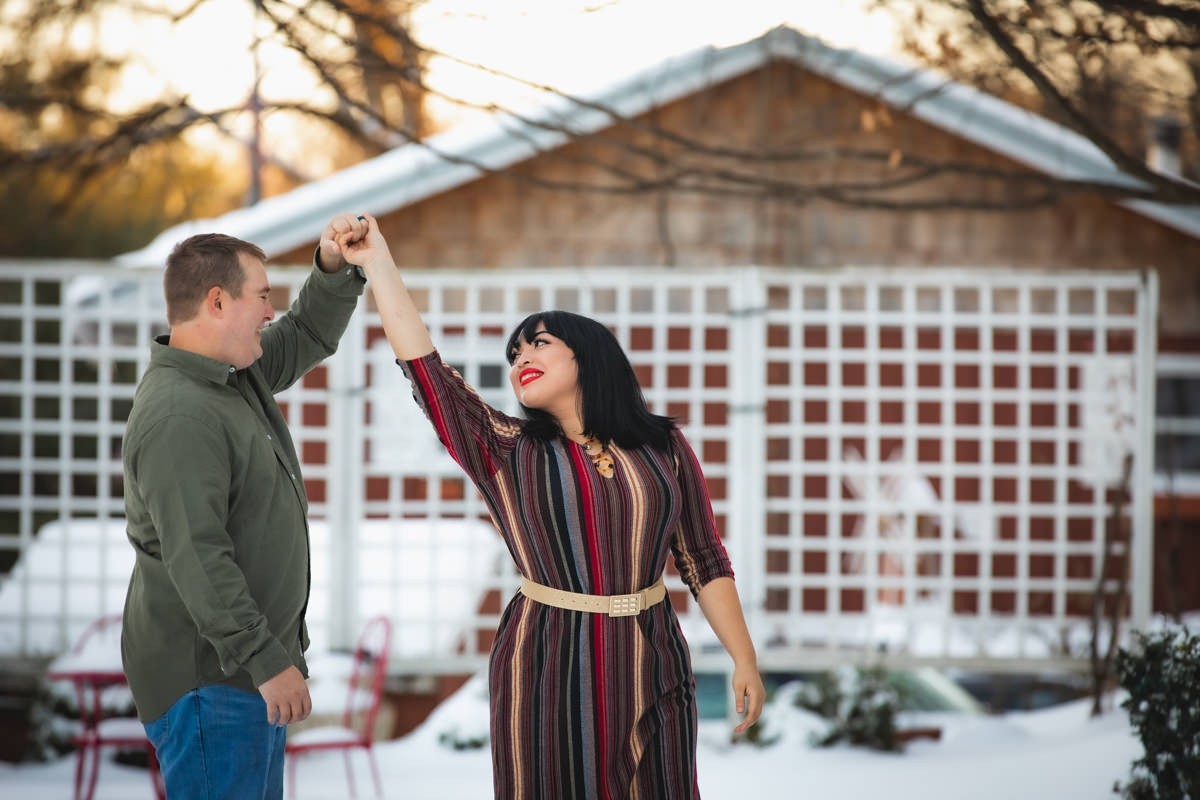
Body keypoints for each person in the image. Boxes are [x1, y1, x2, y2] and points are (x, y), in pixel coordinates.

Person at [334, 214, 765, 799]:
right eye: (513, 353)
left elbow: (704, 558)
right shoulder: (507, 450)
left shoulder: (663, 447)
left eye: (538, 343)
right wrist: (378, 262)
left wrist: (743, 657)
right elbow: (428, 374)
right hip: (549, 664)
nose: (519, 359)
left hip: (654, 655)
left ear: (589, 357)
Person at [120, 217, 367, 799]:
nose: (268, 312)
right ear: (216, 301)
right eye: (261, 297)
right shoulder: (181, 415)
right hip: (213, 682)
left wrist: (332, 264)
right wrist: (266, 660)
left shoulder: (233, 379)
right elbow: (198, 558)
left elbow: (307, 331)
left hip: (240, 678)